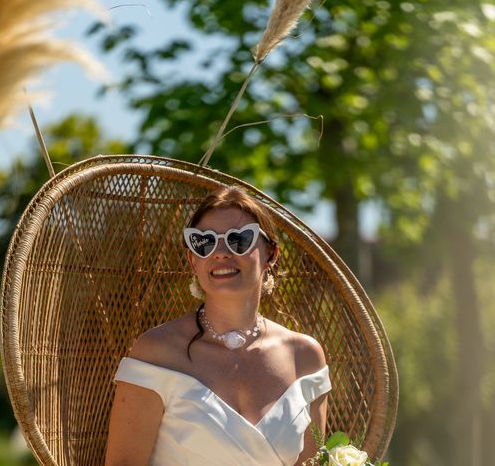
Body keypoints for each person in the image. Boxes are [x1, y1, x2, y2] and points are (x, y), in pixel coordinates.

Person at [105, 186, 331, 466]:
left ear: (271, 254)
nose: (220, 252)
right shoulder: (156, 352)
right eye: (204, 242)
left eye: (238, 240)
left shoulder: (305, 357)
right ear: (192, 260)